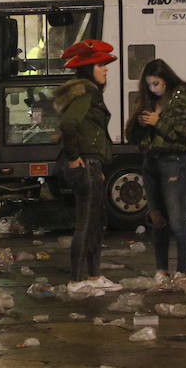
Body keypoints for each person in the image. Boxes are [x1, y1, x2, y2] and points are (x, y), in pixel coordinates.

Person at [125, 58, 186, 290]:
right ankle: (161, 270)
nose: (153, 88)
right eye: (149, 84)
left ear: (166, 79)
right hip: (150, 163)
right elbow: (133, 136)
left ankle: (183, 272)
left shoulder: (184, 98)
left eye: (157, 83)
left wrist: (160, 122)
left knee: (177, 221)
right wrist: (139, 123)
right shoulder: (148, 101)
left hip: (173, 162)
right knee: (157, 220)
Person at [53, 39, 123, 297]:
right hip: (84, 165)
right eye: (100, 65)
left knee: (95, 223)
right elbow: (70, 125)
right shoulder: (87, 91)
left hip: (92, 164)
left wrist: (96, 164)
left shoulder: (86, 91)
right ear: (87, 69)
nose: (105, 69)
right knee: (86, 223)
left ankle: (93, 276)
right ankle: (76, 280)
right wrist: (74, 157)